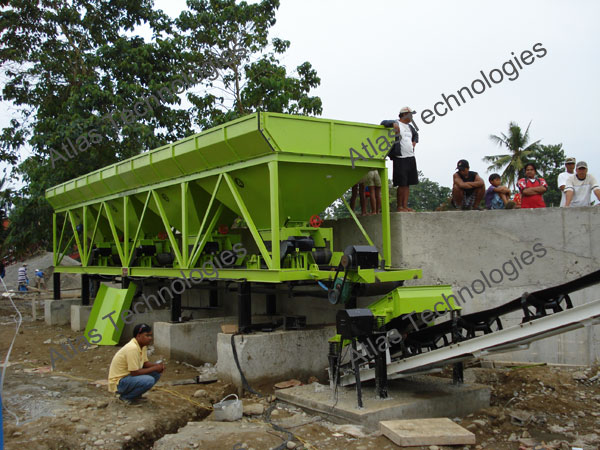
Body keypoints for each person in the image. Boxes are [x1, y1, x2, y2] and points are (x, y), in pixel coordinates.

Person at [108, 323, 165, 405]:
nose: (150, 338)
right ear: (138, 336)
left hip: (127, 378)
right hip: (119, 383)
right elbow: (134, 372)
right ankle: (125, 397)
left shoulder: (143, 346)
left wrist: (158, 366)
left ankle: (135, 395)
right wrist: (155, 368)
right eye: (147, 335)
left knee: (156, 373)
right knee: (149, 380)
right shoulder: (132, 348)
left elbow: (145, 363)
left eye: (150, 335)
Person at [381, 107, 419, 212]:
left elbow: (416, 135)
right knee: (401, 183)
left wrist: (415, 141)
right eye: (410, 114)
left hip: (410, 156)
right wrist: (393, 125)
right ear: (404, 114)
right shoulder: (396, 122)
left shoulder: (410, 127)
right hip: (400, 157)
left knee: (408, 183)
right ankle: (400, 206)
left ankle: (405, 205)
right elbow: (383, 122)